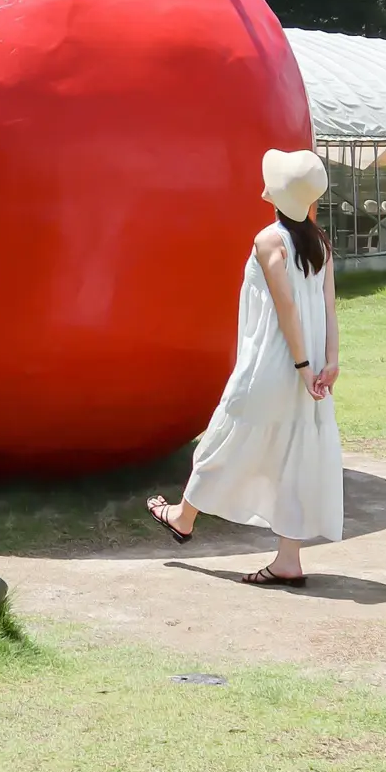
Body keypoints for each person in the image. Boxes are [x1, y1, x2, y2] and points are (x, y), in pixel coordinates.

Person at [146, 148, 343, 586]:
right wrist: (329, 362)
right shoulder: (320, 243)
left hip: (275, 365)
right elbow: (328, 306)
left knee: (226, 437)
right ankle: (288, 559)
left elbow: (286, 307)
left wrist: (302, 364)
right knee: (296, 456)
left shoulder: (270, 240)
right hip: (308, 373)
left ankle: (183, 516)